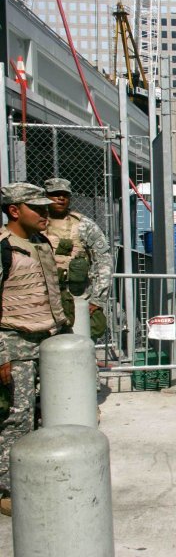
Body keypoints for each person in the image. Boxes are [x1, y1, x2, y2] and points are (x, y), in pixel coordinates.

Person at [0, 183, 71, 517]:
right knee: (17, 417)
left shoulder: (40, 243)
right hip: (15, 345)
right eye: (37, 209)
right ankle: (8, 487)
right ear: (15, 210)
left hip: (49, 340)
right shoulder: (4, 248)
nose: (46, 214)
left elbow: (51, 292)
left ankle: (40, 474)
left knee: (48, 412)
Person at [44, 178, 111, 340]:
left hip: (77, 295)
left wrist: (97, 299)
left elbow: (104, 261)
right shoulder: (35, 223)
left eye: (65, 195)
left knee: (80, 340)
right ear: (45, 196)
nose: (61, 198)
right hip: (44, 295)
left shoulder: (83, 225)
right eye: (55, 194)